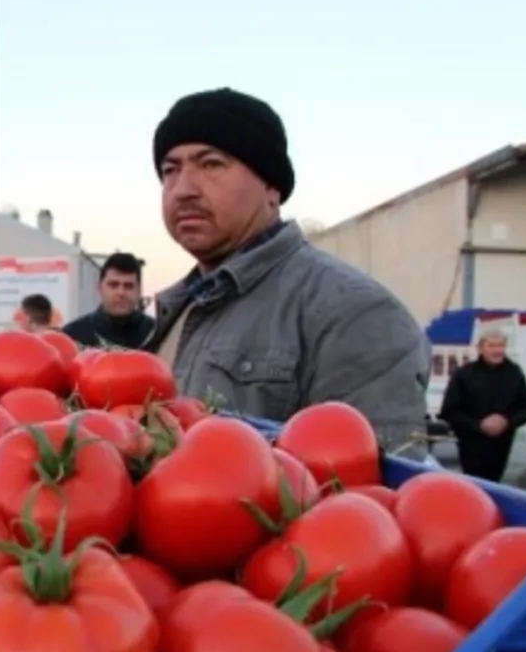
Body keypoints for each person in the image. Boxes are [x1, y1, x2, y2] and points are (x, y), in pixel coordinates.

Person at [148, 87, 430, 453]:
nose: (183, 189)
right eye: (170, 170)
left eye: (211, 164)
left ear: (272, 187)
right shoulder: (180, 308)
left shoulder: (355, 313)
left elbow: (367, 491)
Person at [439, 328, 526, 481]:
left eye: (501, 345)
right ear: (480, 348)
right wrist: (478, 425)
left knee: (497, 484)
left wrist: (507, 422)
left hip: (503, 446)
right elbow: (449, 411)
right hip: (471, 445)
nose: (497, 350)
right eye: (492, 345)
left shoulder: (514, 373)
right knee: (474, 484)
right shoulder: (464, 374)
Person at [62, 253, 157, 350]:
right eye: (113, 285)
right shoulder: (73, 336)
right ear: (99, 287)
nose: (121, 292)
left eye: (128, 286)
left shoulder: (157, 335)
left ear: (139, 290)